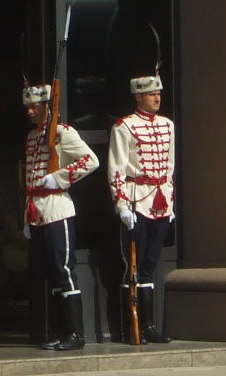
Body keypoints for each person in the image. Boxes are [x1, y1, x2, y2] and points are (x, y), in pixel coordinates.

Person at [22, 83, 99, 351]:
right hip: (38, 213)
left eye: (35, 106)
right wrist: (26, 218)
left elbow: (90, 160)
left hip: (57, 210)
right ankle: (60, 331)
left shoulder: (63, 133)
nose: (30, 111)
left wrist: (59, 178)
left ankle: (76, 334)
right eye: (28, 107)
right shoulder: (33, 137)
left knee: (64, 270)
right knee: (52, 274)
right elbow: (30, 180)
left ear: (47, 107)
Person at [107, 73, 174, 344]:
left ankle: (148, 326)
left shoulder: (168, 125)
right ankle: (129, 328)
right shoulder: (124, 126)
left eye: (158, 93)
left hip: (160, 201)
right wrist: (121, 204)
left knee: (149, 265)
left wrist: (171, 201)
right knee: (132, 267)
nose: (156, 98)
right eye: (150, 94)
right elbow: (116, 168)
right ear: (137, 96)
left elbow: (169, 168)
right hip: (136, 200)